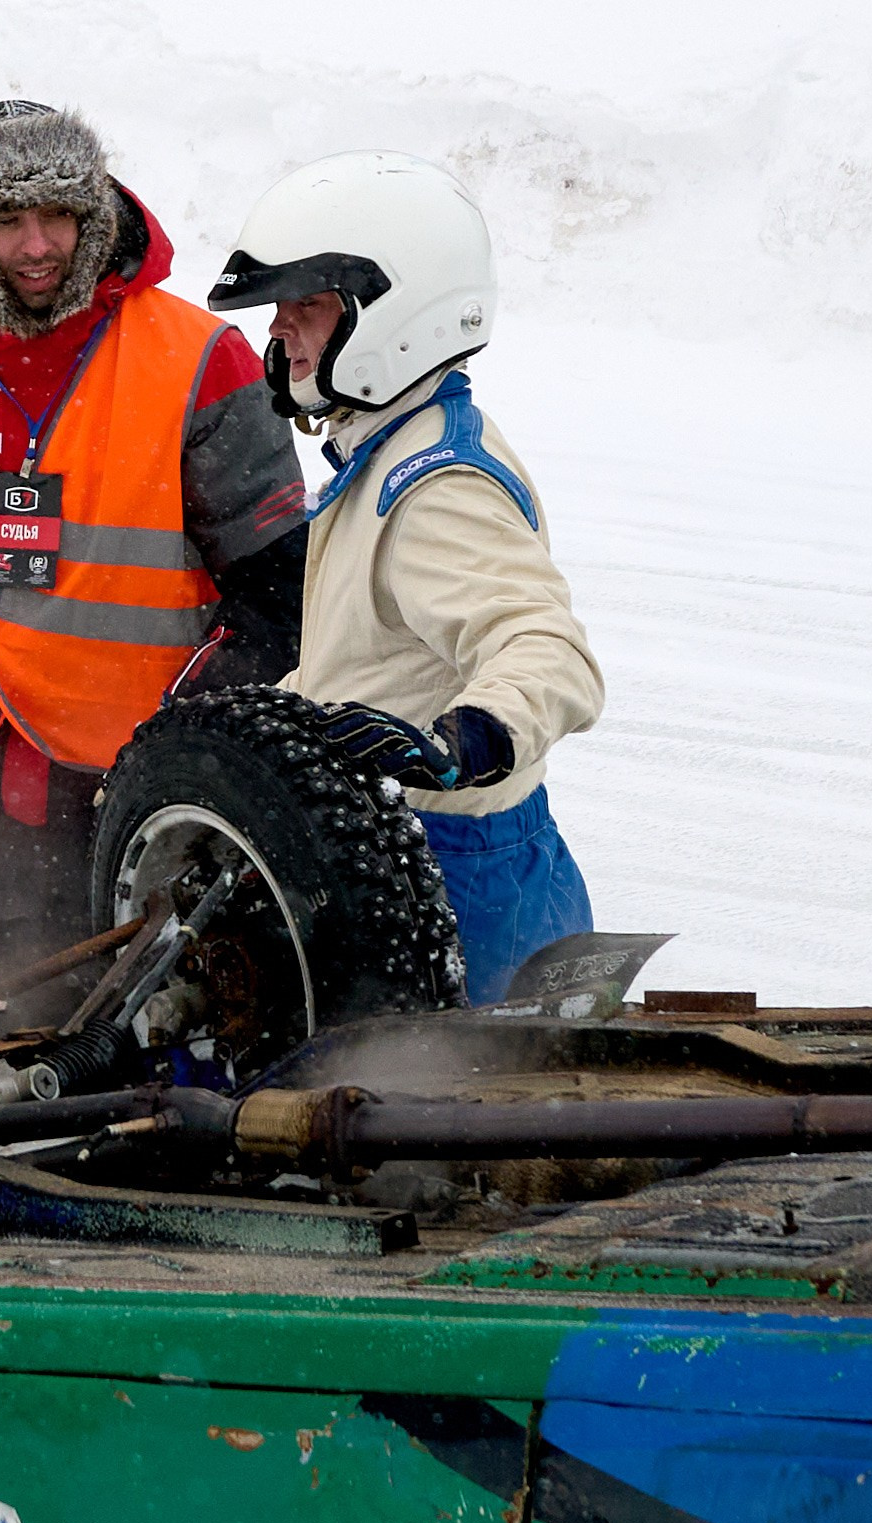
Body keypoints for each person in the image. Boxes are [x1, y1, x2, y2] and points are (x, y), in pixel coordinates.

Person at [0, 102, 307, 953]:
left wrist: (184, 750)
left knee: (119, 1062)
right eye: (7, 222)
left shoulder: (203, 360)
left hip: (126, 799)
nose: (36, 246)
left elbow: (280, 601)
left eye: (57, 215)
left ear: (94, 212)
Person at [208, 152, 604, 1004]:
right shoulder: (390, 444)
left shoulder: (435, 486)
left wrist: (464, 740)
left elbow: (548, 648)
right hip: (407, 851)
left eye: (305, 305)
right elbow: (371, 664)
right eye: (278, 307)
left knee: (451, 1126)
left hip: (459, 880)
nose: (277, 329)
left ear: (393, 315)